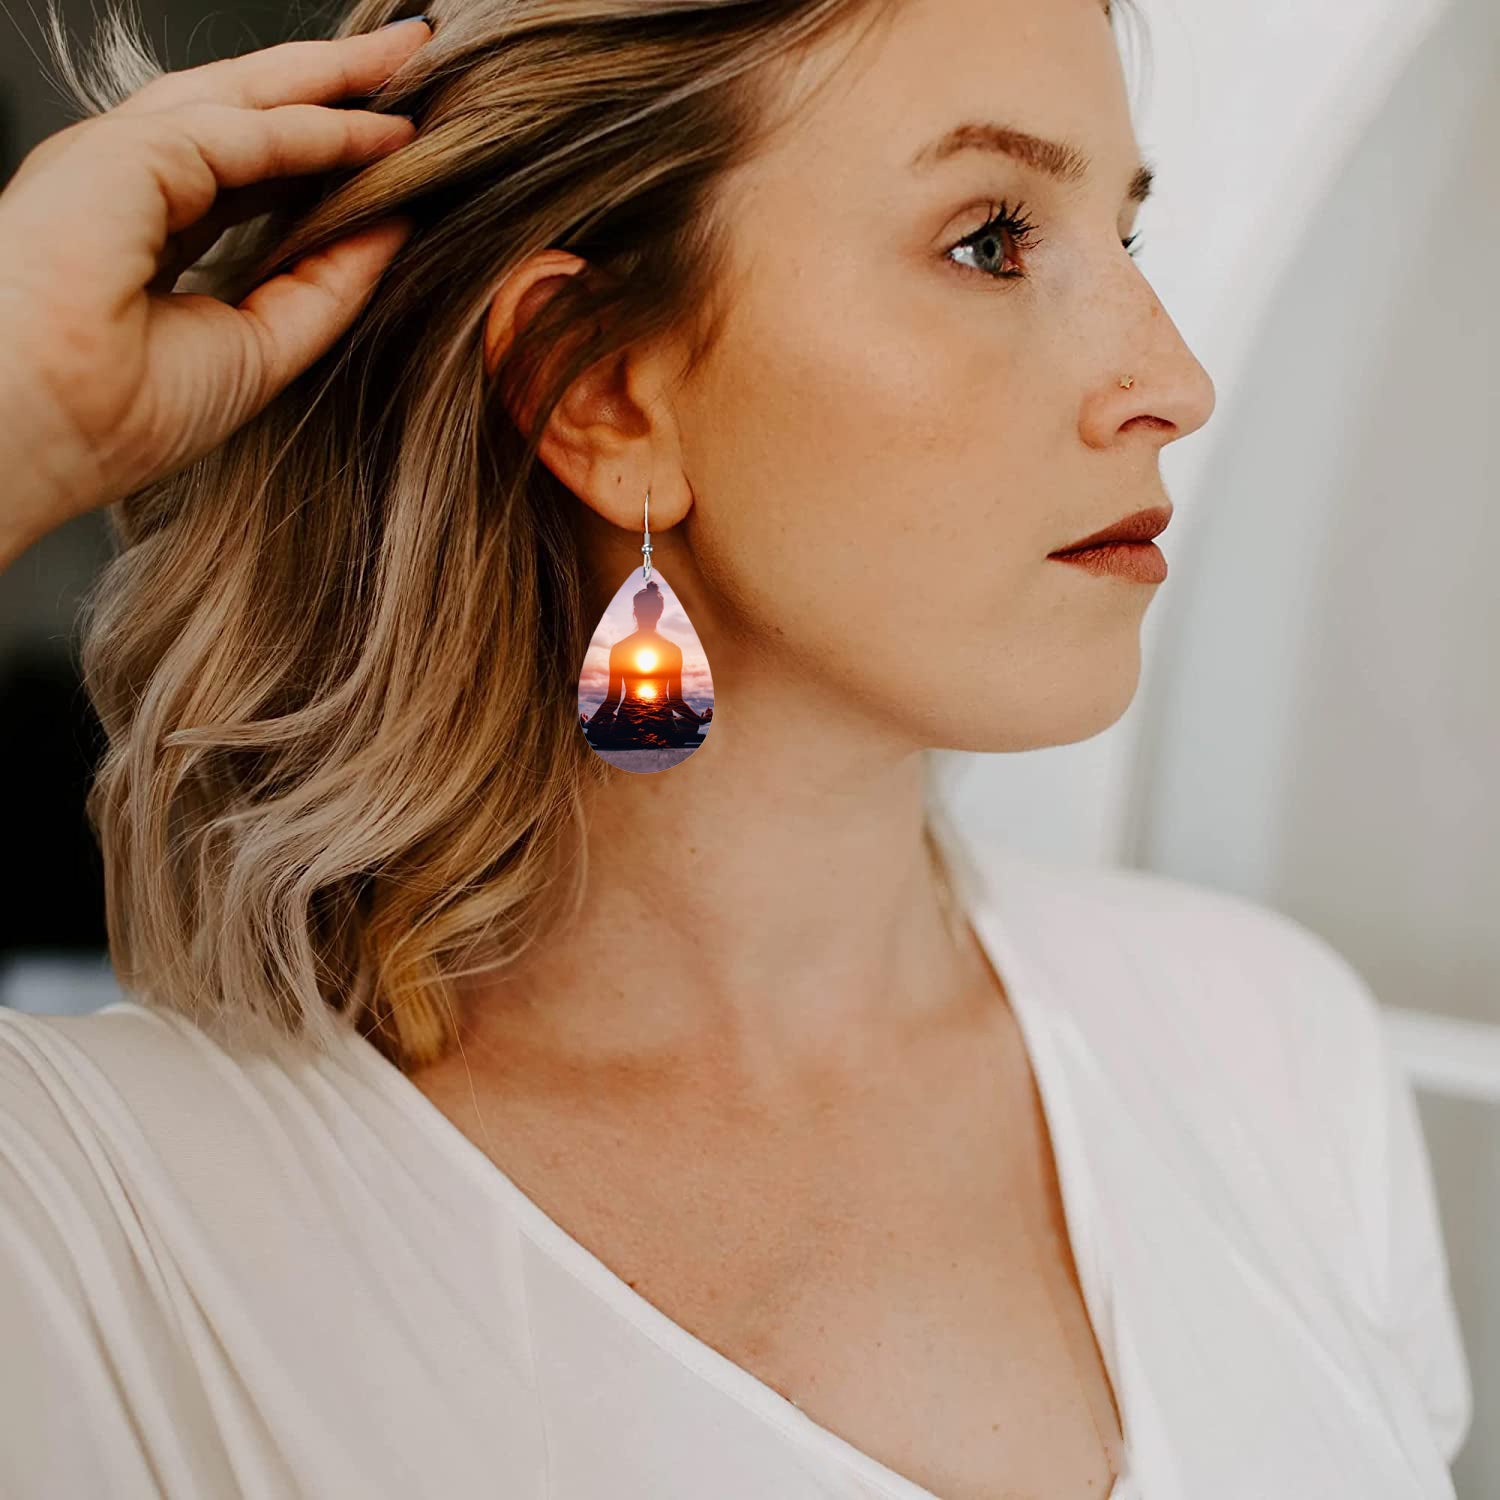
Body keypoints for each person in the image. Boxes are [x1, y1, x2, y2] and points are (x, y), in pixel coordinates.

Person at [0, 1, 1473, 1497]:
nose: (1175, 382)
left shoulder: (1272, 1051)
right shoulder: (98, 1222)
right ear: (602, 391)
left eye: (1127, 235)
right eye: (991, 243)